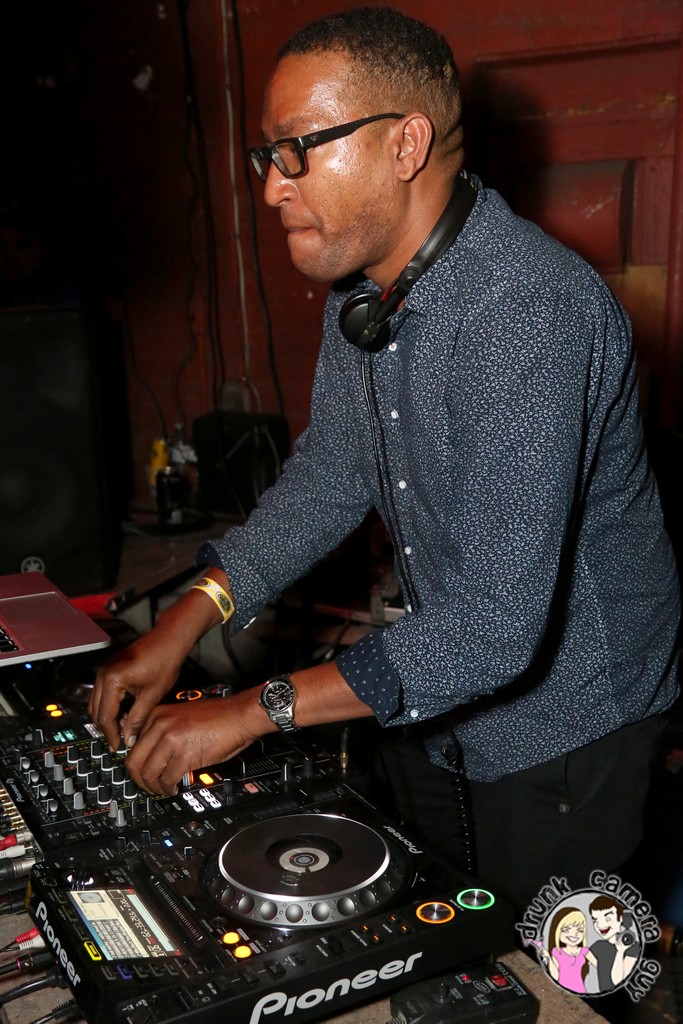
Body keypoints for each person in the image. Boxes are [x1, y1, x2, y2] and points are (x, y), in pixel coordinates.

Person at [88, 6, 680, 921]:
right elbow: (333, 473)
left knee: (546, 973)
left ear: (404, 144)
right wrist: (187, 618)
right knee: (436, 932)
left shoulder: (528, 312)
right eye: (266, 155)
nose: (271, 187)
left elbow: (492, 628)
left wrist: (250, 710)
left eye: (297, 150)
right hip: (433, 695)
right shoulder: (365, 295)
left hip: (569, 725)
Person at [542, 907, 597, 995]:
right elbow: (555, 976)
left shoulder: (584, 951)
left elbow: (600, 966)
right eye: (566, 930)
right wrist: (548, 957)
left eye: (580, 930)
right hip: (561, 991)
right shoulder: (556, 952)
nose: (574, 934)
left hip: (580, 991)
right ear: (557, 931)